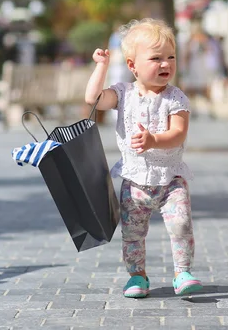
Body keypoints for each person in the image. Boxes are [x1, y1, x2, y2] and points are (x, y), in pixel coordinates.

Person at [84, 18, 202, 298]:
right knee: (133, 234)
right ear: (132, 65)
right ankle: (137, 277)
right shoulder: (123, 93)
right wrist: (100, 67)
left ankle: (182, 272)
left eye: (171, 57)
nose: (166, 64)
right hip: (135, 181)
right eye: (156, 58)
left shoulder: (176, 98)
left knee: (181, 224)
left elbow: (178, 134)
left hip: (171, 178)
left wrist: (153, 141)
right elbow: (94, 99)